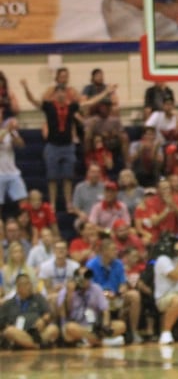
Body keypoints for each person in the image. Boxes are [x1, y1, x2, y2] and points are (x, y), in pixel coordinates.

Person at [22, 81, 116, 211]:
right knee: (52, 178)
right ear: (54, 94)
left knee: (68, 177)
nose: (61, 95)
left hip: (67, 145)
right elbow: (32, 100)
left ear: (66, 94)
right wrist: (26, 87)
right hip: (52, 145)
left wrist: (105, 92)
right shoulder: (49, 106)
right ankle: (53, 204)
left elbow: (90, 102)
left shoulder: (71, 107)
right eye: (58, 92)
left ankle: (68, 202)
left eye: (63, 92)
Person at [86, 238, 143, 344]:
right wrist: (105, 294)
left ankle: (134, 331)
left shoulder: (118, 264)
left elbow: (122, 282)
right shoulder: (91, 265)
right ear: (103, 251)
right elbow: (90, 288)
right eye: (113, 250)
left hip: (116, 296)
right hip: (99, 298)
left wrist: (122, 288)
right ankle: (98, 331)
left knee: (134, 295)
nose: (116, 252)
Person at [59, 267, 126, 347]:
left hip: (94, 327)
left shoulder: (96, 288)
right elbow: (64, 315)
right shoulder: (65, 291)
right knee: (70, 328)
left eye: (88, 276)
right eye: (83, 276)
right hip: (77, 326)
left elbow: (105, 310)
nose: (86, 279)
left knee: (121, 325)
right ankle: (102, 341)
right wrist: (70, 294)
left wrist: (105, 325)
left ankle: (89, 341)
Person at [0, 274, 59, 349]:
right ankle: (37, 346)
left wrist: (43, 320)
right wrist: (8, 326)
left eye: (30, 283)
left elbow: (48, 313)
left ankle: (27, 344)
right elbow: (1, 322)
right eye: (26, 284)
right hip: (19, 332)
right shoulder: (8, 303)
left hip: (37, 333)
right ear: (18, 287)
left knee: (53, 329)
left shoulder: (38, 298)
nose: (30, 286)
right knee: (9, 331)